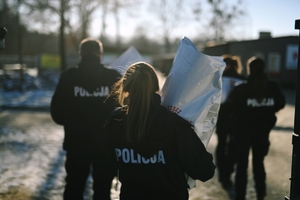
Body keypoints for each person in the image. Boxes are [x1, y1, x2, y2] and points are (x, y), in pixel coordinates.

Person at [104, 61, 216, 200]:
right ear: (156, 87)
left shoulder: (115, 123)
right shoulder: (173, 124)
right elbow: (204, 171)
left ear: (125, 88)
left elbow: (106, 166)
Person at [50, 38, 121, 200]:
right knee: (103, 190)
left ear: (80, 55)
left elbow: (56, 113)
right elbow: (122, 111)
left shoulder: (69, 77)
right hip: (105, 146)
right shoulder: (113, 78)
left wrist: (73, 122)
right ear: (100, 54)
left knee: (74, 187)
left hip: (76, 144)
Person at [225, 57, 286, 200]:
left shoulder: (241, 89)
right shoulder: (272, 88)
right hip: (262, 132)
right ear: (264, 69)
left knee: (242, 166)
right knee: (259, 164)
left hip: (242, 134)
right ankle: (260, 194)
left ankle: (240, 196)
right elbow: (281, 103)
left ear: (249, 69)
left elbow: (229, 107)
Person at [215, 54, 246, 189]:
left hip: (222, 116)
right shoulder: (241, 79)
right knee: (232, 147)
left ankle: (222, 173)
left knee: (221, 145)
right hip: (237, 118)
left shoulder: (218, 79)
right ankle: (227, 173)